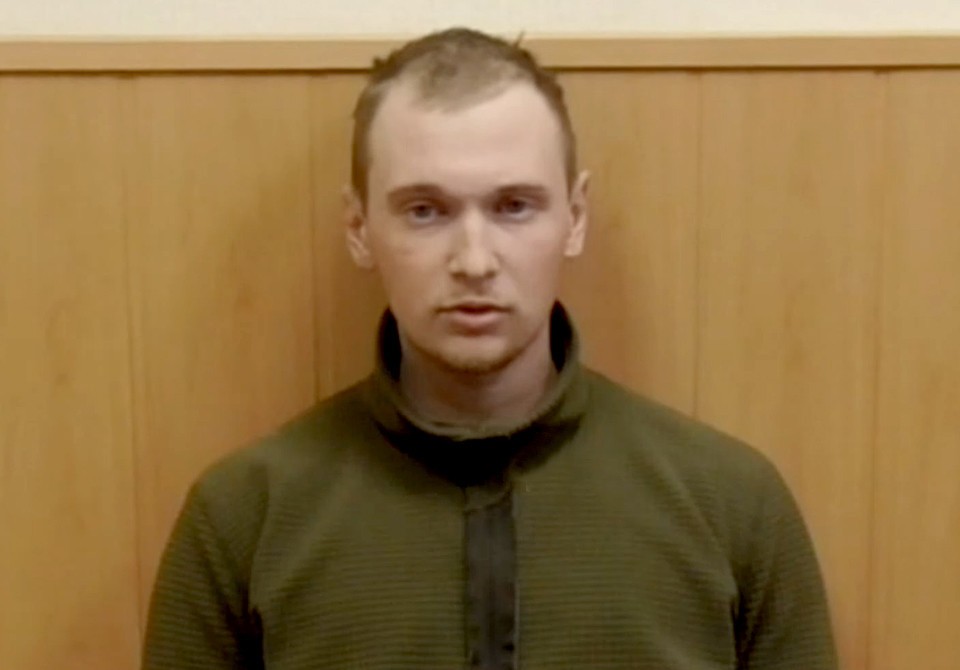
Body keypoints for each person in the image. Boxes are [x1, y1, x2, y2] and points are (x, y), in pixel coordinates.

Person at [141, 27, 838, 670]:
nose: (474, 261)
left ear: (575, 217)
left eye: (514, 207)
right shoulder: (242, 519)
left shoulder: (733, 508)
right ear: (359, 228)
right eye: (425, 211)